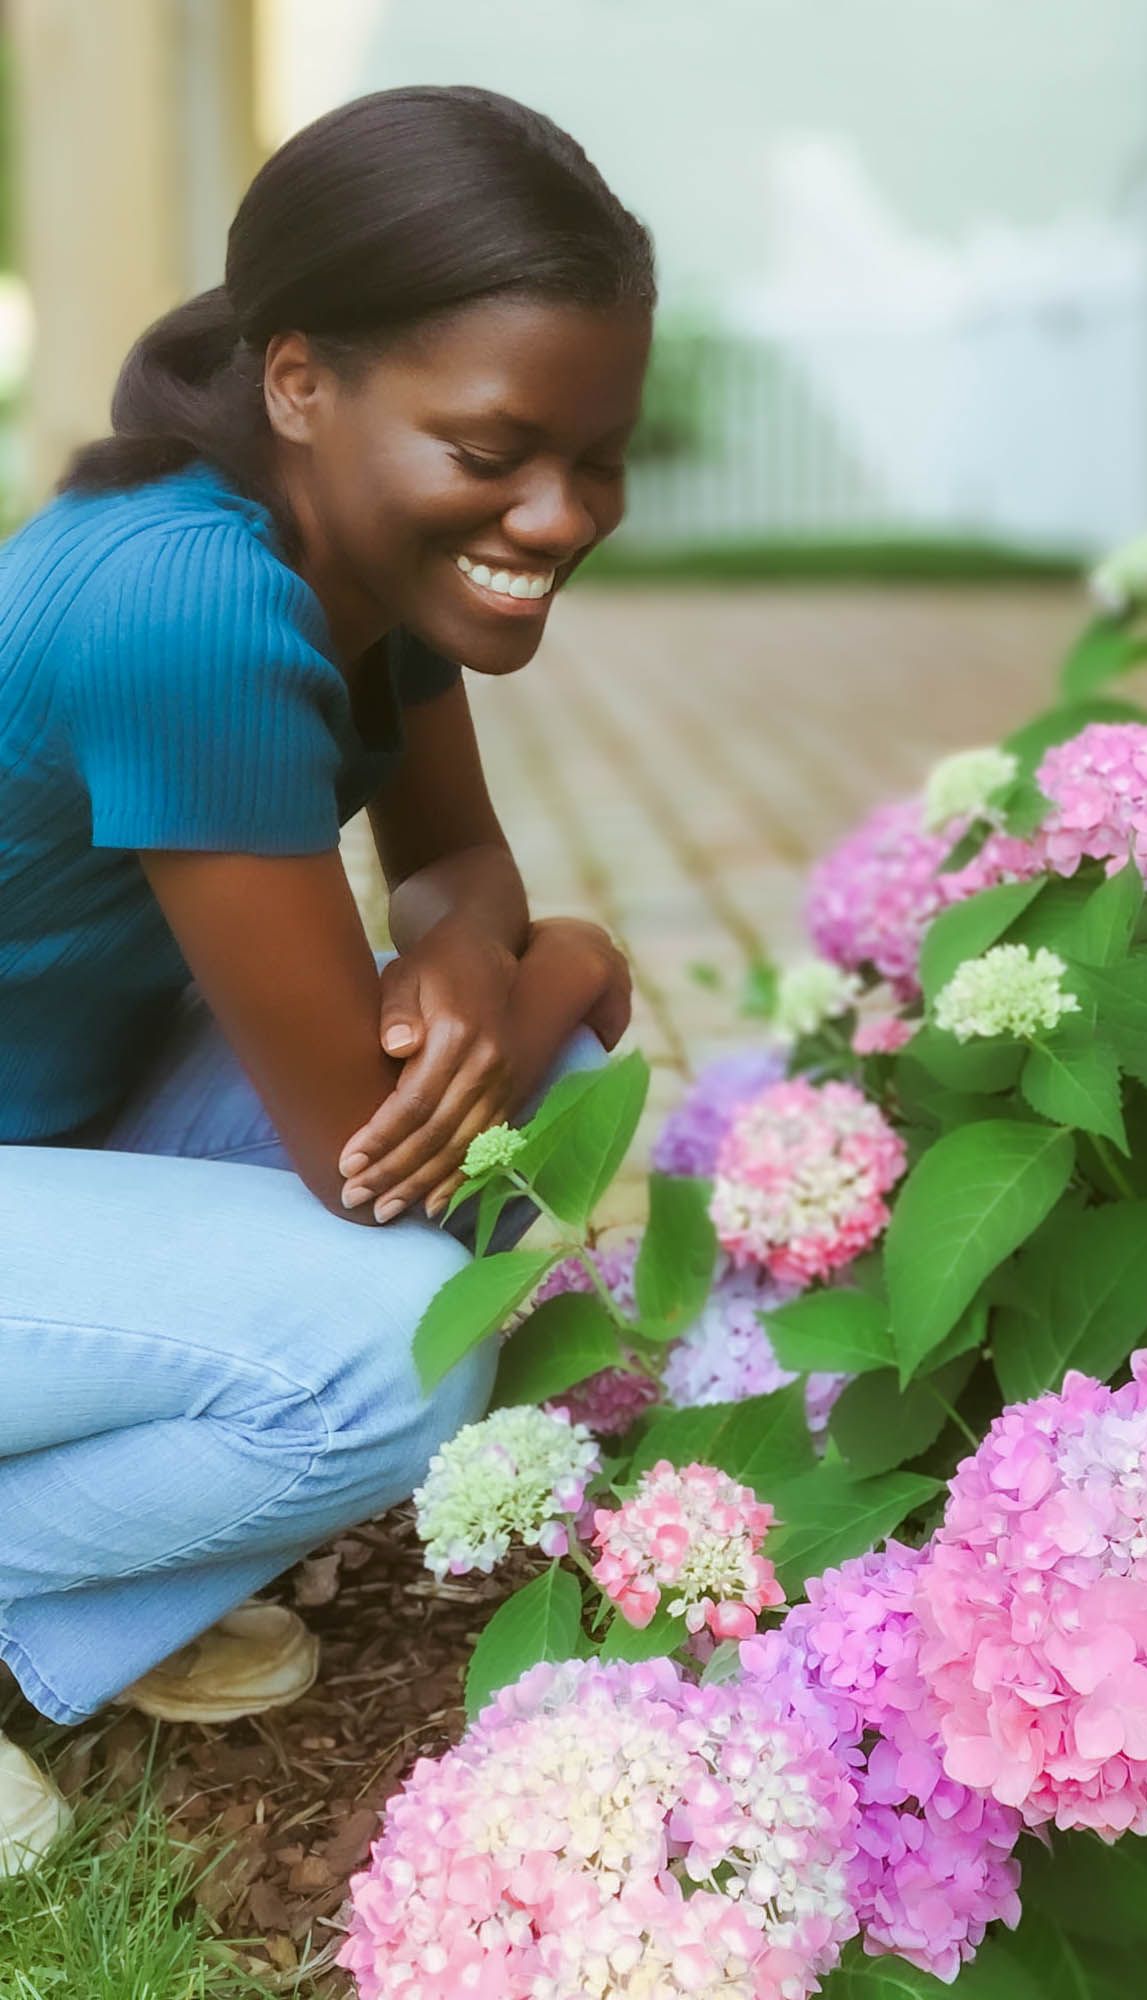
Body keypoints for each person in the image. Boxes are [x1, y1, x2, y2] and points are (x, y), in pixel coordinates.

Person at [0, 83, 656, 1873]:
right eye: (496, 447)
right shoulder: (186, 608)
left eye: (599, 455)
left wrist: (468, 942)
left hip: (46, 1132)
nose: (558, 512)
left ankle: (84, 1569)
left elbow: (456, 864)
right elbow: (368, 1154)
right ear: (303, 381)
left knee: (558, 1092)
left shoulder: (360, 553)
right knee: (383, 1354)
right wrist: (566, 955)